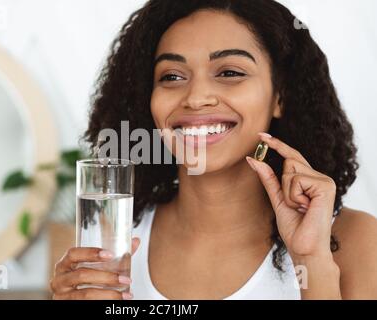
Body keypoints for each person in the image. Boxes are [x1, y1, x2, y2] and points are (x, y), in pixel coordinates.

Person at [50, 0, 377, 300]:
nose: (196, 97)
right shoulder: (108, 244)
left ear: (281, 96)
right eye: (172, 76)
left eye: (230, 73)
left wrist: (312, 261)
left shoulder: (354, 241)